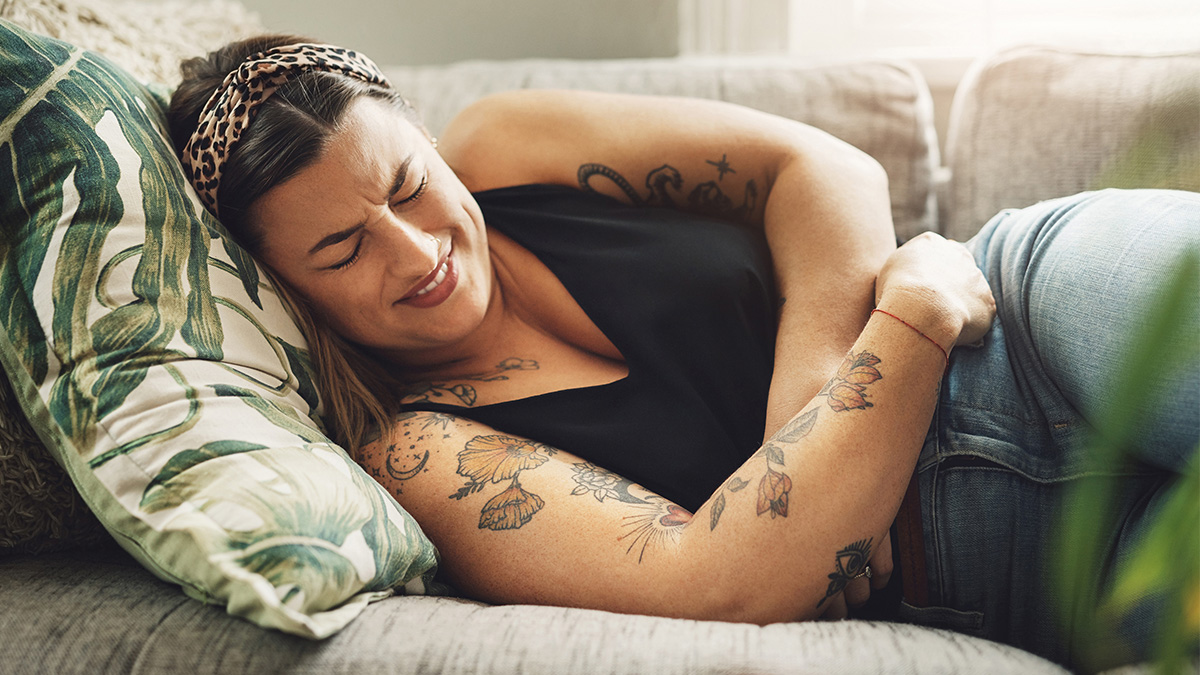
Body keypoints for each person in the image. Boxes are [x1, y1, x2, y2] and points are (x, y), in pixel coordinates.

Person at [167, 35, 1199, 668]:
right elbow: (719, 582)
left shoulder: (503, 142)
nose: (418, 248)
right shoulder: (420, 454)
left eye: (405, 186)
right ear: (285, 292)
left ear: (423, 138)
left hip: (1025, 312)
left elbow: (817, 167)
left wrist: (818, 396)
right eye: (342, 249)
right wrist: (908, 323)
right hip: (998, 556)